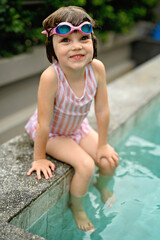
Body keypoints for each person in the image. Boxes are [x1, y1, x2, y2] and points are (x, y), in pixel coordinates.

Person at [25, 6, 119, 232]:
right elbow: (44, 123)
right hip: (54, 134)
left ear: (93, 43)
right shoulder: (51, 77)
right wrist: (38, 158)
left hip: (78, 128)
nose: (76, 46)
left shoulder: (96, 69)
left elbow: (102, 110)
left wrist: (103, 144)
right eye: (65, 40)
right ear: (52, 48)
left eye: (83, 38)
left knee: (109, 161)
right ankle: (76, 206)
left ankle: (101, 185)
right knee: (85, 165)